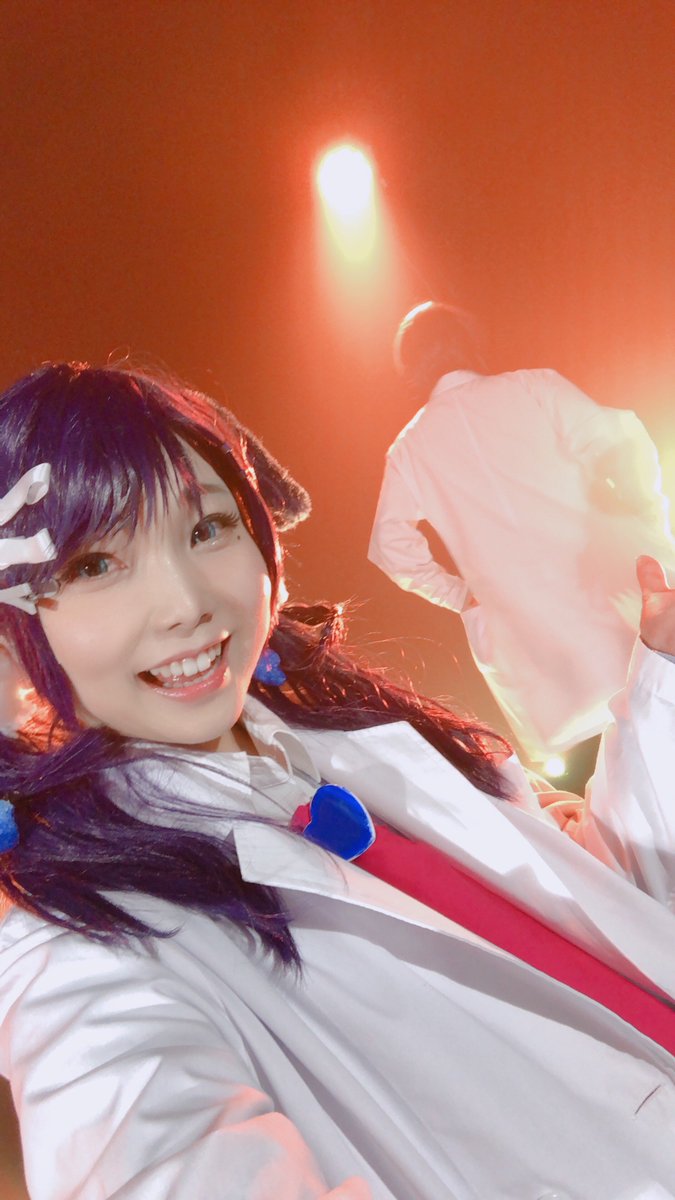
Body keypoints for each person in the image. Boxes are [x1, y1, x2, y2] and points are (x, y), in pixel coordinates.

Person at [1, 365, 675, 1200]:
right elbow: (150, 1148)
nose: (184, 603)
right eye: (96, 563)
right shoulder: (87, 945)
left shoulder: (357, 742)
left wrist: (662, 675)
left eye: (207, 527)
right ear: (11, 635)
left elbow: (612, 930)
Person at [368, 300, 675, 763]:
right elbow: (623, 444)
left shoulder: (410, 448)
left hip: (547, 669)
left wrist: (459, 596)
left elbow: (390, 547)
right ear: (469, 343)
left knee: (617, 779)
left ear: (409, 366)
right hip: (619, 606)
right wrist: (647, 521)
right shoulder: (533, 387)